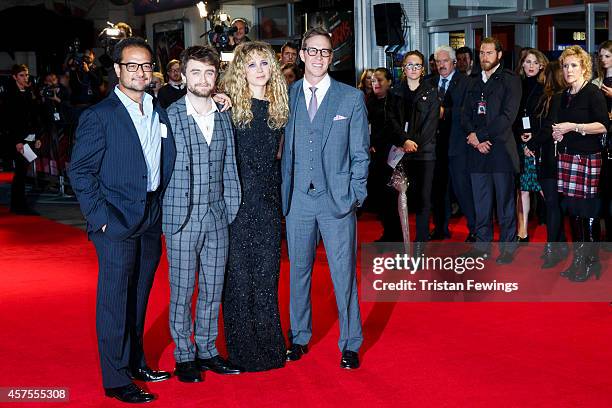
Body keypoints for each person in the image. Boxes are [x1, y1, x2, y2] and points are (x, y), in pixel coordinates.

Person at [69, 37, 175, 403]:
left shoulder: (158, 108)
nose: (140, 72)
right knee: (114, 301)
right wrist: (100, 220)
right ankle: (115, 380)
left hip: (150, 216)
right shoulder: (99, 115)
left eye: (145, 65)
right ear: (117, 70)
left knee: (139, 296)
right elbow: (80, 172)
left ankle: (134, 361)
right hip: (114, 221)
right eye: (132, 65)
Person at [281, 27, 369, 370]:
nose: (319, 58)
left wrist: (355, 195)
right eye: (313, 51)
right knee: (298, 272)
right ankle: (299, 336)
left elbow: (361, 153)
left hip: (337, 200)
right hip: (298, 201)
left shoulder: (350, 98)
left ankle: (350, 342)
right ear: (302, 54)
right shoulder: (286, 97)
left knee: (343, 275)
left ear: (332, 57)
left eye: (326, 52)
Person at [161, 45, 242, 383]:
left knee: (212, 288)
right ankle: (184, 355)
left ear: (216, 76)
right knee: (181, 290)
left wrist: (229, 209)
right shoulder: (168, 115)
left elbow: (230, 167)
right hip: (182, 218)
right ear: (183, 75)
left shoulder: (224, 113)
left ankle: (207, 350)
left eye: (209, 72)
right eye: (196, 72)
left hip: (217, 216)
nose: (203, 78)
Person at [220, 41, 289, 372]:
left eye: (264, 63)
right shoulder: (229, 108)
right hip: (236, 205)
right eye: (251, 64)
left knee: (267, 277)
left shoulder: (280, 108)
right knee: (238, 279)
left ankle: (271, 347)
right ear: (240, 70)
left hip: (269, 203)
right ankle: (243, 351)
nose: (259, 69)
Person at [461, 37, 521, 264]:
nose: (484, 57)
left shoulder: (510, 80)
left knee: (505, 202)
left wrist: (482, 136)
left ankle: (508, 248)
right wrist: (474, 139)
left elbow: (508, 116)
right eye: (481, 53)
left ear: (499, 54)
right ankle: (482, 245)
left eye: (489, 53)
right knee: (481, 202)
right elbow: (464, 115)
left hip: (501, 152)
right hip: (477, 151)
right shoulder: (472, 81)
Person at [552, 45, 609, 282]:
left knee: (587, 212)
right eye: (565, 66)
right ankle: (578, 259)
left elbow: (604, 125)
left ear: (584, 68)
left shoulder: (593, 93)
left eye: (574, 65)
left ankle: (591, 262)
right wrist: (558, 133)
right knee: (572, 212)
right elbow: (559, 126)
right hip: (567, 157)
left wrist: (574, 127)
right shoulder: (563, 96)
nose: (568, 70)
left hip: (588, 158)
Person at [525, 60, 569, 268]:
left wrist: (531, 144)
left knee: (552, 204)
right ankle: (558, 245)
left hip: (551, 157)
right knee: (553, 204)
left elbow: (549, 127)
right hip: (549, 155)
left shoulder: (557, 98)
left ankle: (554, 247)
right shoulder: (557, 97)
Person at [396, 50, 440, 256]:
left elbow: (431, 125)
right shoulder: (396, 92)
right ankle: (401, 242)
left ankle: (420, 246)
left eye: (417, 65)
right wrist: (403, 141)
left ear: (422, 70)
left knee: (423, 200)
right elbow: (391, 121)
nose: (413, 69)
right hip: (400, 153)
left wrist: (414, 144)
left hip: (424, 154)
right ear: (403, 69)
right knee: (400, 199)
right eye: (409, 65)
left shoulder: (431, 92)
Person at [366, 67, 405, 241]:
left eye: (380, 80)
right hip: (375, 155)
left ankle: (396, 235)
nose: (376, 83)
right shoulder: (369, 101)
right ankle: (388, 232)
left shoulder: (397, 101)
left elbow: (399, 127)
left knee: (391, 197)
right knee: (380, 197)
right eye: (373, 80)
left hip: (394, 154)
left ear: (389, 82)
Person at [514, 49, 548, 243]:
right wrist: (522, 134)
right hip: (520, 142)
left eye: (535, 62)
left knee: (544, 188)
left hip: (539, 144)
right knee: (523, 189)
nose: (531, 66)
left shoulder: (546, 88)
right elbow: (514, 115)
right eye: (528, 62)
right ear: (523, 65)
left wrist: (533, 138)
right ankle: (523, 232)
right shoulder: (517, 86)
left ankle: (554, 230)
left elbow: (546, 118)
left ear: (541, 65)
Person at [429, 46, 457, 241]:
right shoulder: (429, 83)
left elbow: (466, 111)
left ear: (453, 62)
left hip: (457, 144)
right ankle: (440, 227)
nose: (441, 65)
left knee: (460, 189)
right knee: (437, 190)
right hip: (434, 146)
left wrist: (444, 113)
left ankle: (474, 230)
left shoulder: (465, 82)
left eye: (445, 61)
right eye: (438, 62)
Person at [7, 64, 41, 215]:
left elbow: (35, 116)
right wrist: (17, 141)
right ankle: (18, 205)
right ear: (14, 77)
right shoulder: (11, 95)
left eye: (26, 75)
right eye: (21, 75)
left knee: (23, 172)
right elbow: (10, 120)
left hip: (31, 136)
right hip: (19, 138)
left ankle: (19, 204)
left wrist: (38, 136)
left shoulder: (29, 92)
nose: (25, 78)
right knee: (20, 172)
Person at [593, 40, 612, 247]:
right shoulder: (597, 81)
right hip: (600, 140)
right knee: (602, 190)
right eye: (601, 56)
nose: (603, 59)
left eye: (607, 56)